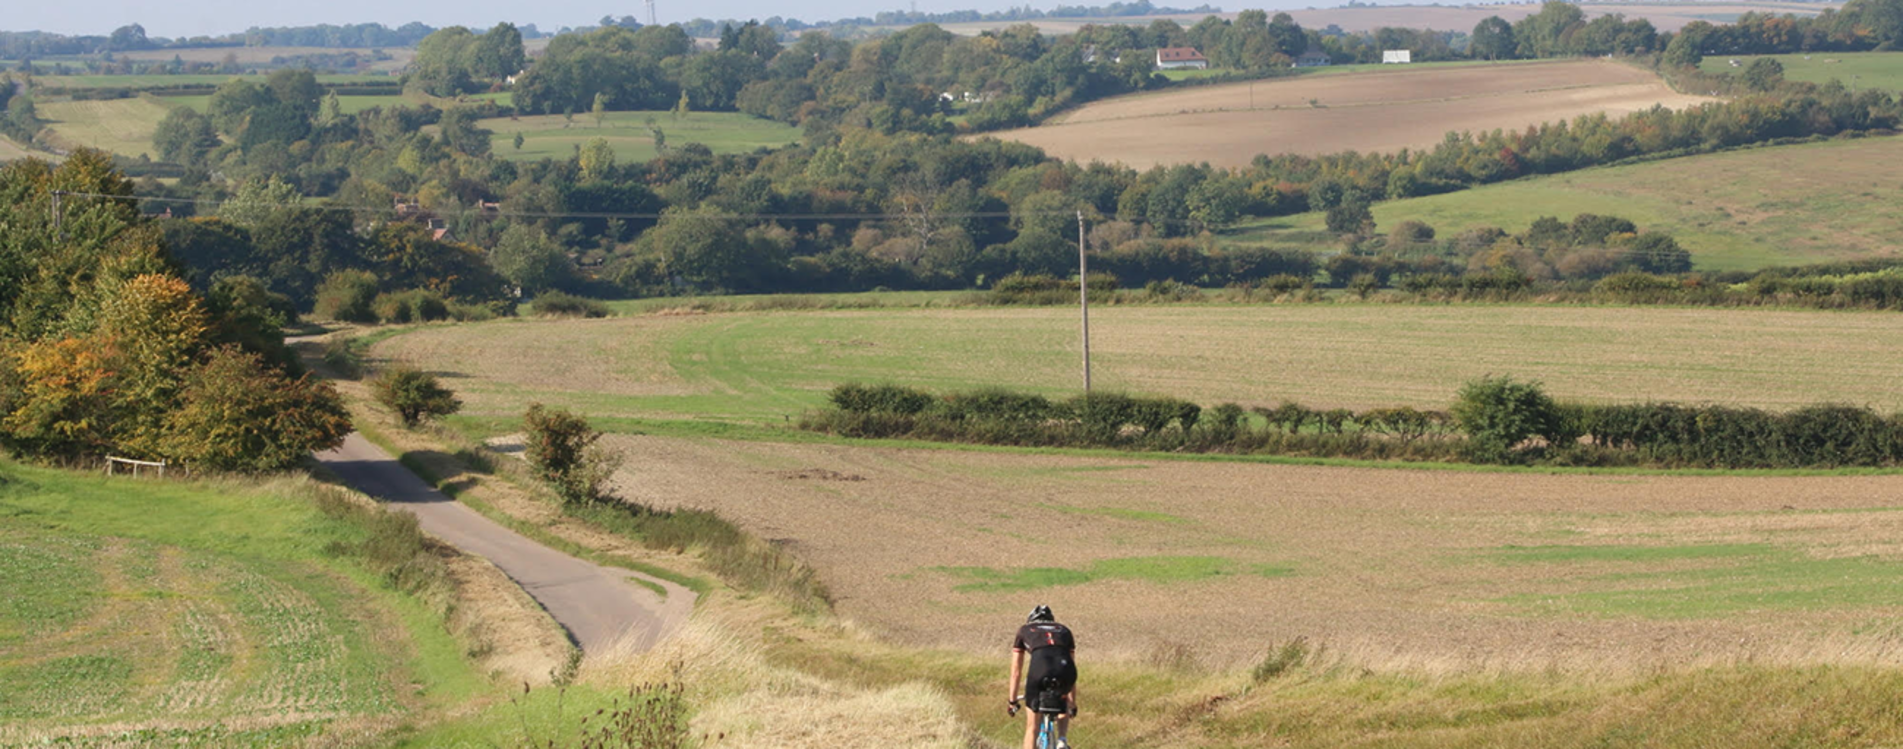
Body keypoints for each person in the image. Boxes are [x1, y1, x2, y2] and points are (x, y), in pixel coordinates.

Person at [1007, 604, 1078, 749]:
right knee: (1063, 699)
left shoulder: (1024, 630)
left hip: (1039, 669)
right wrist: (1072, 703)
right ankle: (1062, 740)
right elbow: (1071, 667)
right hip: (1065, 670)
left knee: (1032, 727)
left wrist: (1012, 701)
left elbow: (1016, 672)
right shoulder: (1064, 630)